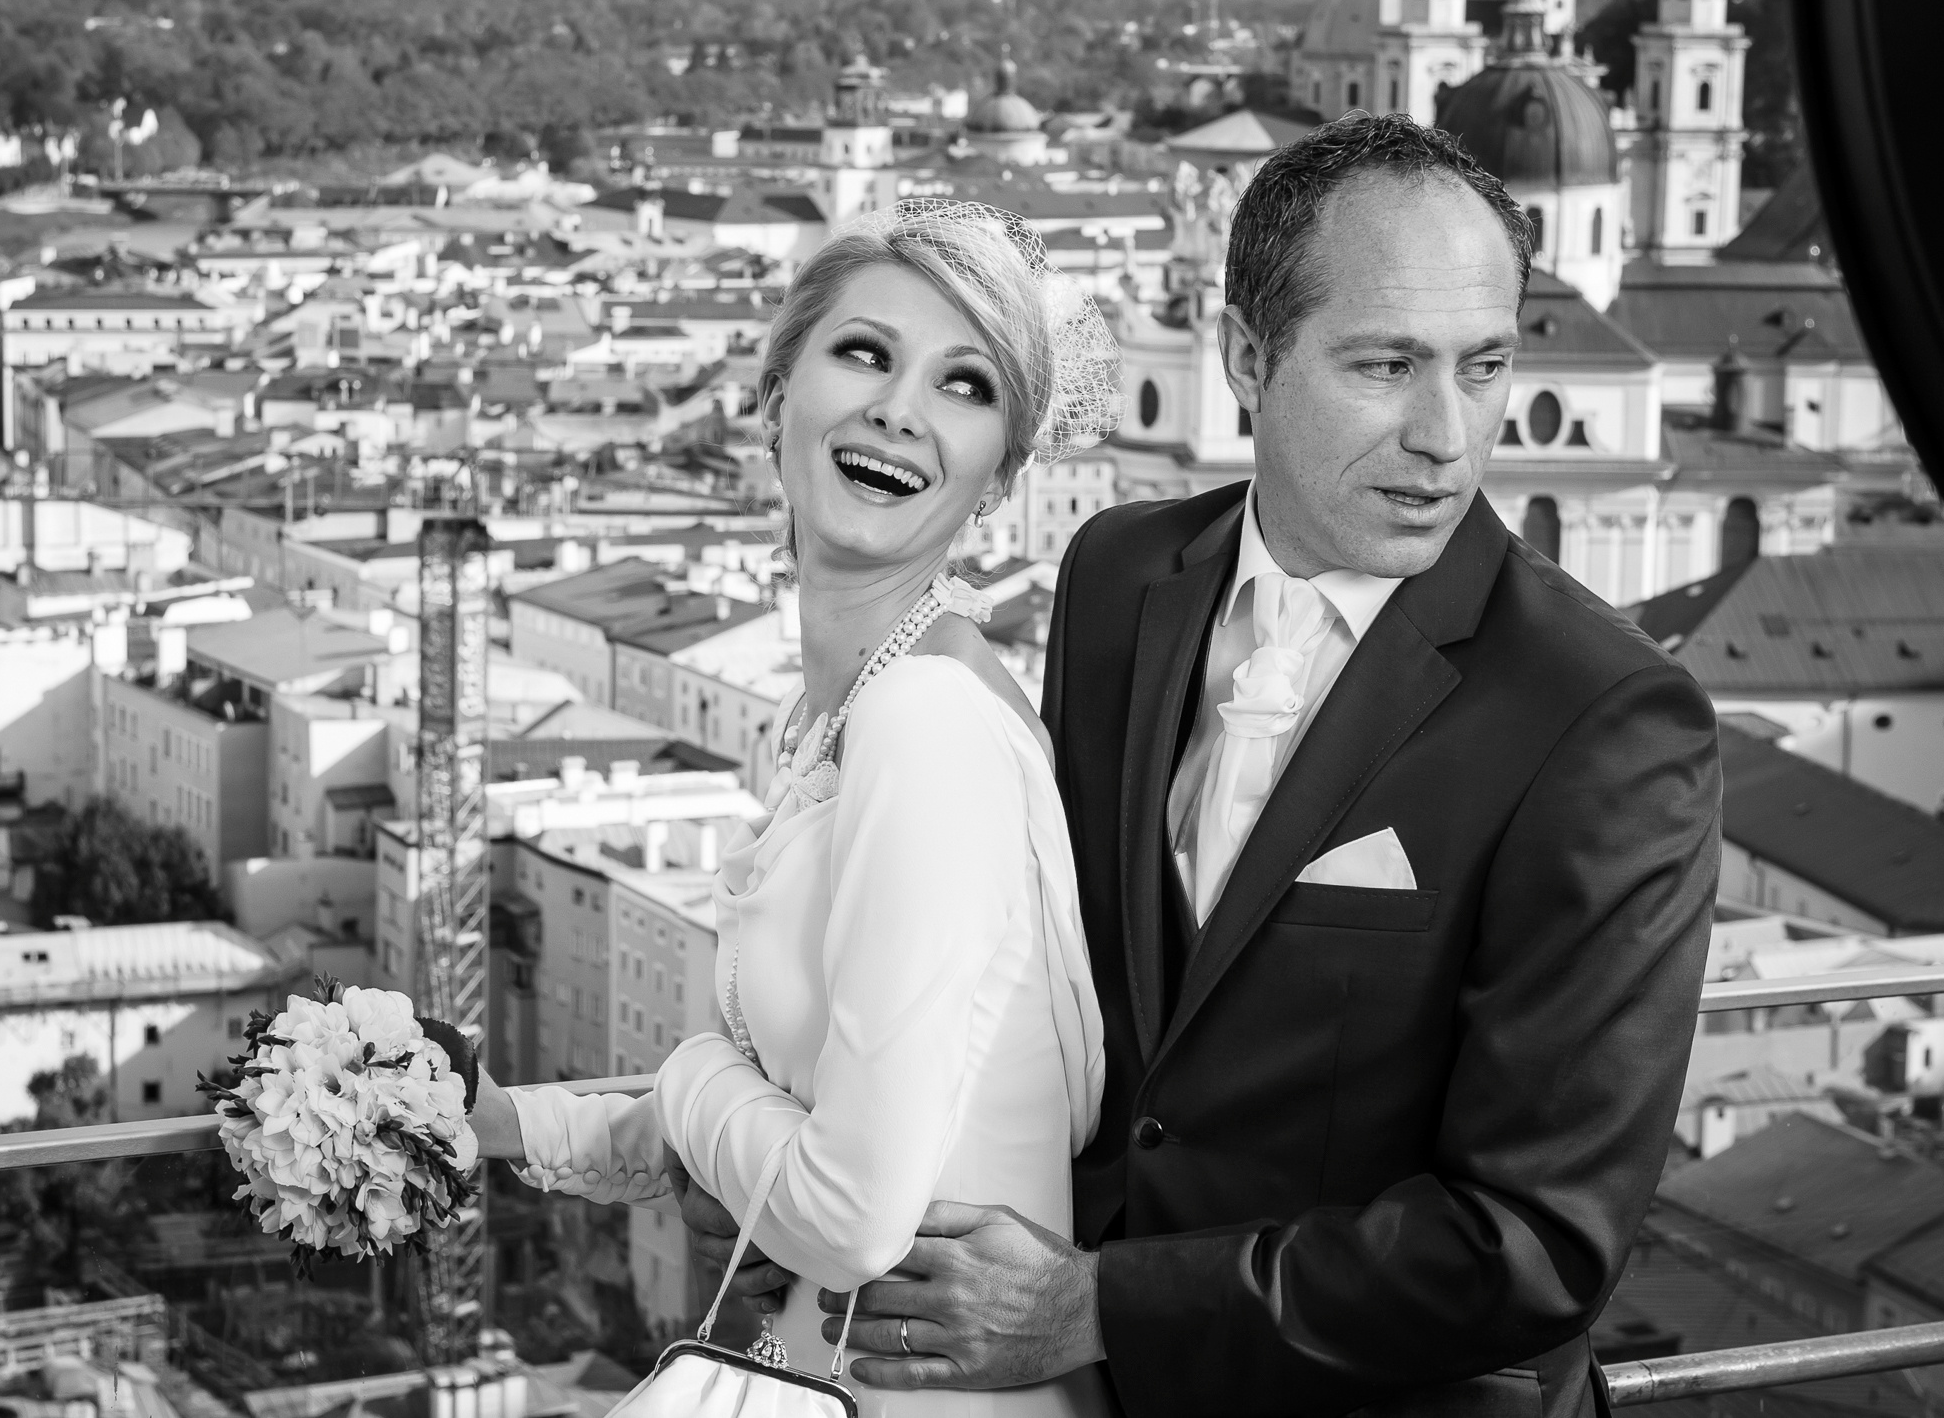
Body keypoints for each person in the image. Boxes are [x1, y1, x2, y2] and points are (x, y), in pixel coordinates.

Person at [692, 114, 1723, 1416]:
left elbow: (1535, 1243)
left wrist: (1099, 1309)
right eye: (1387, 364)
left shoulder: (1606, 720)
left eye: (1485, 365)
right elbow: (1048, 989)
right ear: (1246, 355)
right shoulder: (1122, 576)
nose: (1446, 438)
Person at [467, 200, 1120, 1417]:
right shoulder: (845, 711)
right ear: (777, 395)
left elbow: (849, 1208)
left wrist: (692, 1073)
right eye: (866, 352)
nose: (900, 408)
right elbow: (798, 1116)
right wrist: (503, 1122)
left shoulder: (924, 724)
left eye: (964, 384)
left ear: (1000, 478)